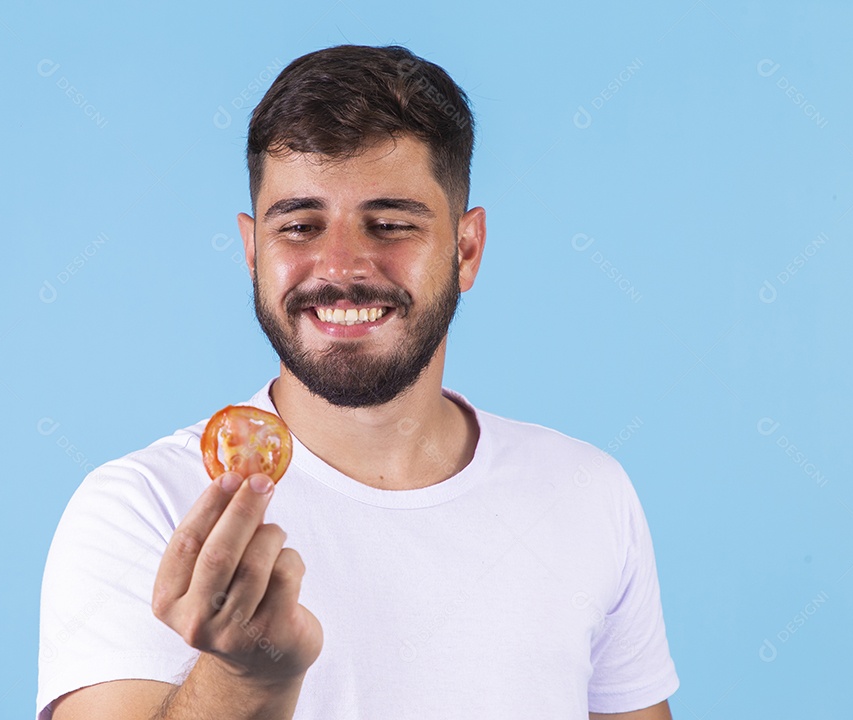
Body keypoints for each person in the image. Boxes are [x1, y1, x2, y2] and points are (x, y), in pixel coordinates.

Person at [36, 44, 680, 720]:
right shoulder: (143, 509)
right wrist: (248, 681)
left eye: (391, 224)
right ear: (253, 250)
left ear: (466, 250)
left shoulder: (588, 492)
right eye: (301, 226)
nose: (340, 266)